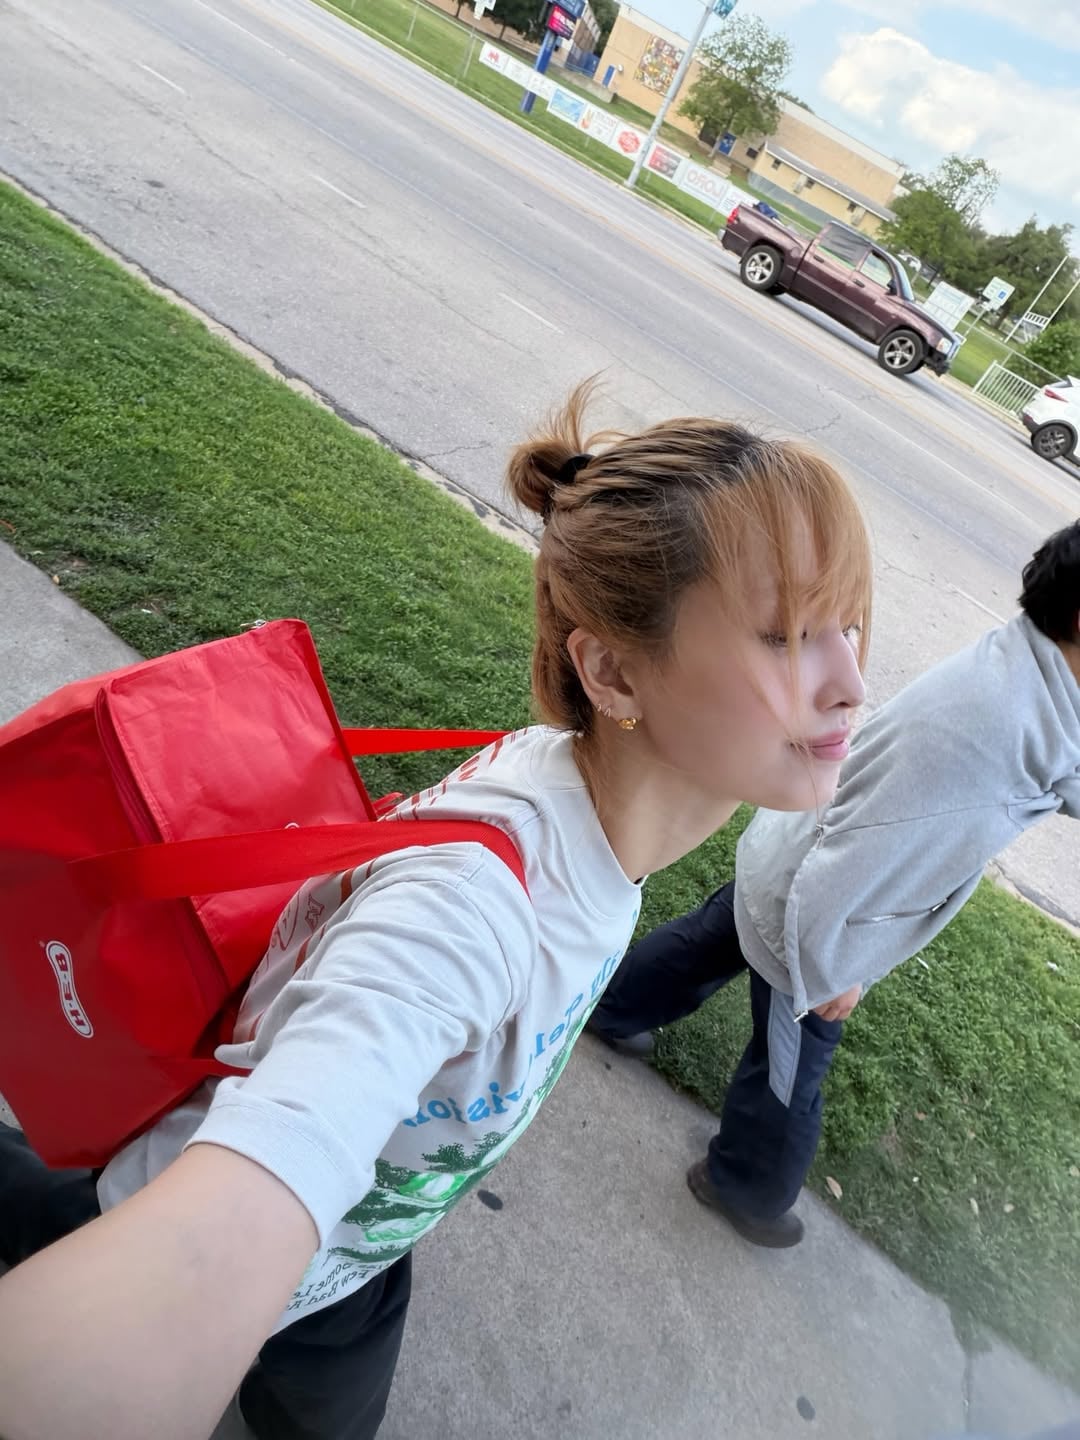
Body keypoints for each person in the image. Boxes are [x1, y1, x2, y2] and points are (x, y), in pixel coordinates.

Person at [0, 384, 870, 1440]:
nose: (850, 683)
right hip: (190, 1210)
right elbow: (259, 1185)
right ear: (611, 672)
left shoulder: (583, 792)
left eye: (847, 626)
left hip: (355, 1260)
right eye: (786, 635)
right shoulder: (468, 911)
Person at [588, 520, 1080, 1250]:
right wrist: (833, 966)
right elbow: (871, 847)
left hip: (794, 861)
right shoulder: (999, 731)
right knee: (793, 1066)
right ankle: (745, 1190)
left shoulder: (1030, 675)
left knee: (712, 940)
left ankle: (609, 1007)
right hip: (814, 904)